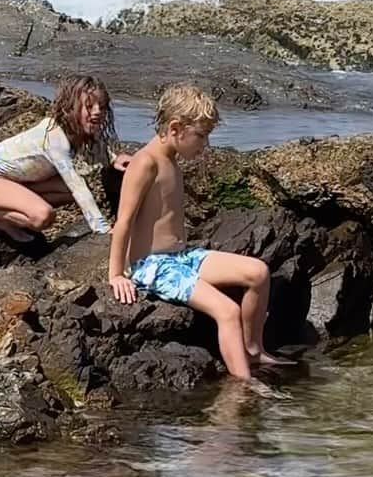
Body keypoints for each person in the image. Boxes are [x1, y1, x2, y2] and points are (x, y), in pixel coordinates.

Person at [108, 83, 292, 380]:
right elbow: (124, 222)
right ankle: (244, 385)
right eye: (201, 136)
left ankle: (253, 351)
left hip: (181, 257)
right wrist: (116, 274)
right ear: (176, 127)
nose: (204, 145)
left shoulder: (170, 160)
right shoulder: (145, 163)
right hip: (153, 266)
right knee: (227, 311)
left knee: (258, 272)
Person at [0, 74, 130, 243]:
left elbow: (100, 152)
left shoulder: (81, 133)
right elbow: (77, 186)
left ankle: (3, 214)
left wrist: (114, 159)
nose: (97, 112)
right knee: (42, 216)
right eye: (89, 106)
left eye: (102, 107)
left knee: (67, 192)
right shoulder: (54, 137)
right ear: (69, 109)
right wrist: (102, 229)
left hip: (17, 182)